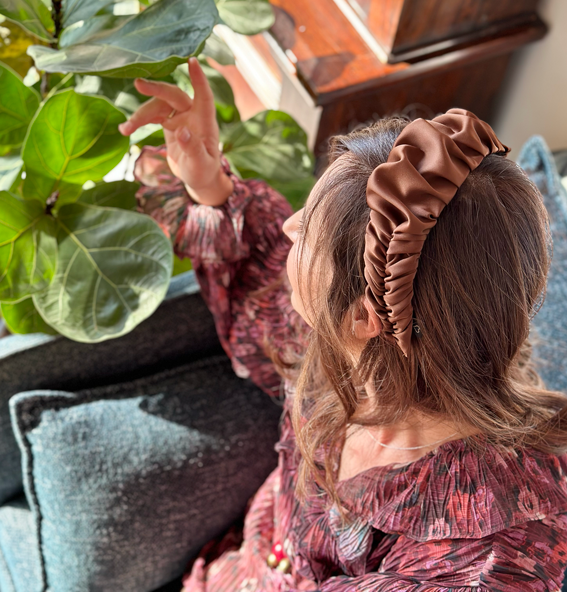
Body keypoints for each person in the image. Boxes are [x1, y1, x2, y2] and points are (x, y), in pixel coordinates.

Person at [119, 58, 567, 592]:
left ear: (363, 316)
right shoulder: (364, 346)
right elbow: (267, 289)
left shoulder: (486, 557)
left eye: (306, 230)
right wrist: (210, 181)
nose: (287, 225)